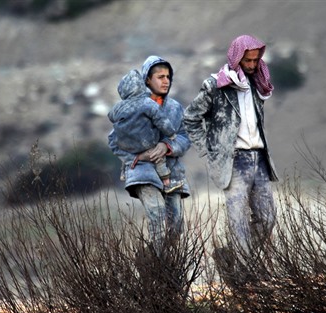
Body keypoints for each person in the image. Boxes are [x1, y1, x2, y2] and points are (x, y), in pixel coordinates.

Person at [184, 35, 278, 260]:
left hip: (260, 157)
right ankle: (243, 272)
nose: (253, 65)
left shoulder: (259, 84)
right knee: (238, 219)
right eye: (248, 61)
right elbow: (191, 118)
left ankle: (234, 257)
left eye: (256, 60)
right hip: (234, 160)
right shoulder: (216, 85)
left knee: (268, 218)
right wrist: (208, 151)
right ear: (237, 58)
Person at [108, 55, 191, 255]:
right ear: (147, 80)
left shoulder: (175, 107)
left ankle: (161, 264)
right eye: (160, 76)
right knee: (156, 213)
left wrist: (166, 146)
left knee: (176, 225)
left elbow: (184, 137)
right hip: (143, 172)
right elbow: (113, 140)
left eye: (168, 76)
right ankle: (156, 267)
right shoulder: (132, 108)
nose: (166, 81)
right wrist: (135, 158)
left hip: (171, 172)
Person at [107, 68, 184, 193]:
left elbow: (111, 116)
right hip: (146, 144)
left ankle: (124, 171)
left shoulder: (118, 107)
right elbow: (161, 120)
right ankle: (167, 183)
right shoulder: (147, 103)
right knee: (159, 159)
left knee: (124, 153)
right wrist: (171, 134)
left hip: (126, 145)